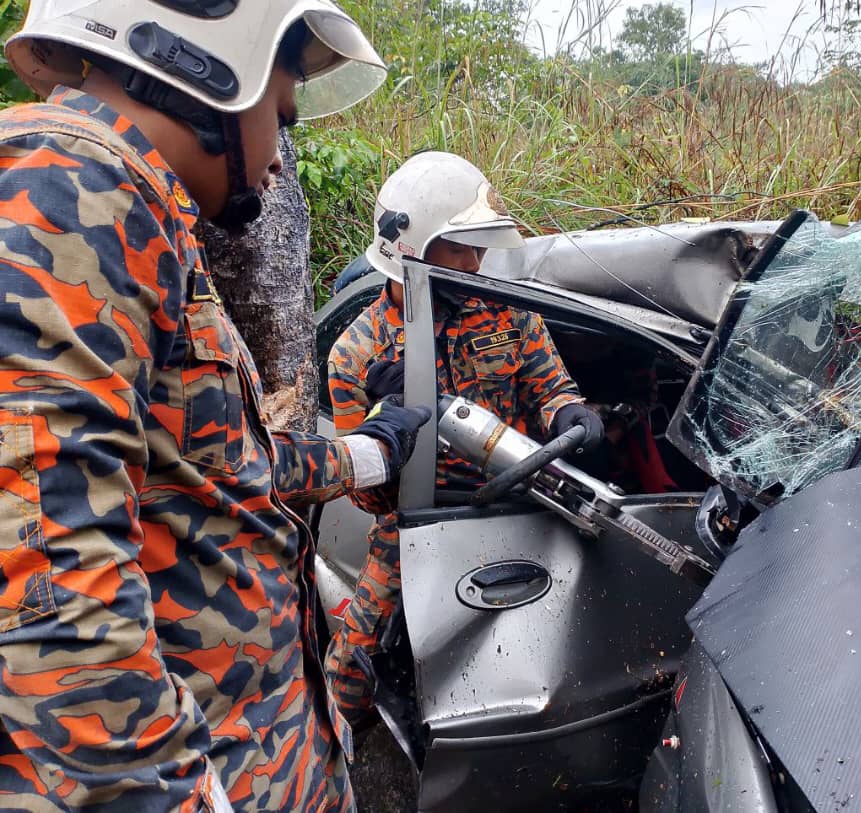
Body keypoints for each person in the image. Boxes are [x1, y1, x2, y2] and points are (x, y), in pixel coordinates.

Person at [0, 2, 431, 810]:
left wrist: (370, 451)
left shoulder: (134, 209)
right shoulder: (67, 189)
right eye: (281, 112)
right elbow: (49, 599)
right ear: (202, 69)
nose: (278, 158)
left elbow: (225, 467)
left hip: (258, 749)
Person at [324, 151, 605, 726]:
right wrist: (386, 418)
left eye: (479, 246)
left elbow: (549, 385)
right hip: (415, 524)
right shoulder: (355, 354)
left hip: (519, 501)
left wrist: (569, 414)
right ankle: (339, 751)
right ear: (413, 249)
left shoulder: (508, 312)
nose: (475, 262)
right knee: (355, 655)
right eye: (459, 247)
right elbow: (367, 497)